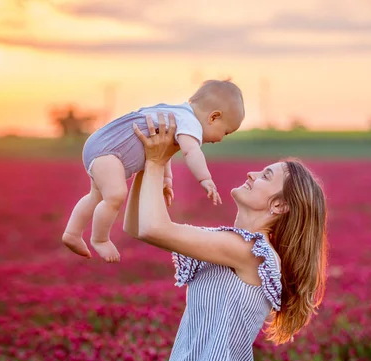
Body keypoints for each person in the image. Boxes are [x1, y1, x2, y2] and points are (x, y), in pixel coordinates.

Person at [124, 113, 328, 361]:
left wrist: (158, 161)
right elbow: (136, 227)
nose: (251, 174)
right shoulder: (232, 245)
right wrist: (147, 164)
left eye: (265, 176)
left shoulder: (251, 252)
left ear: (280, 205)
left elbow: (152, 228)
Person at [62, 79, 245, 262]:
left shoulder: (176, 114)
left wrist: (167, 179)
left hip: (102, 146)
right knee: (115, 195)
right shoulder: (191, 122)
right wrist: (205, 178)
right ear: (213, 117)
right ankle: (100, 239)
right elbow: (191, 152)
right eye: (226, 132)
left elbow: (164, 151)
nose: (222, 139)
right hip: (110, 151)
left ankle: (72, 233)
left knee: (96, 196)